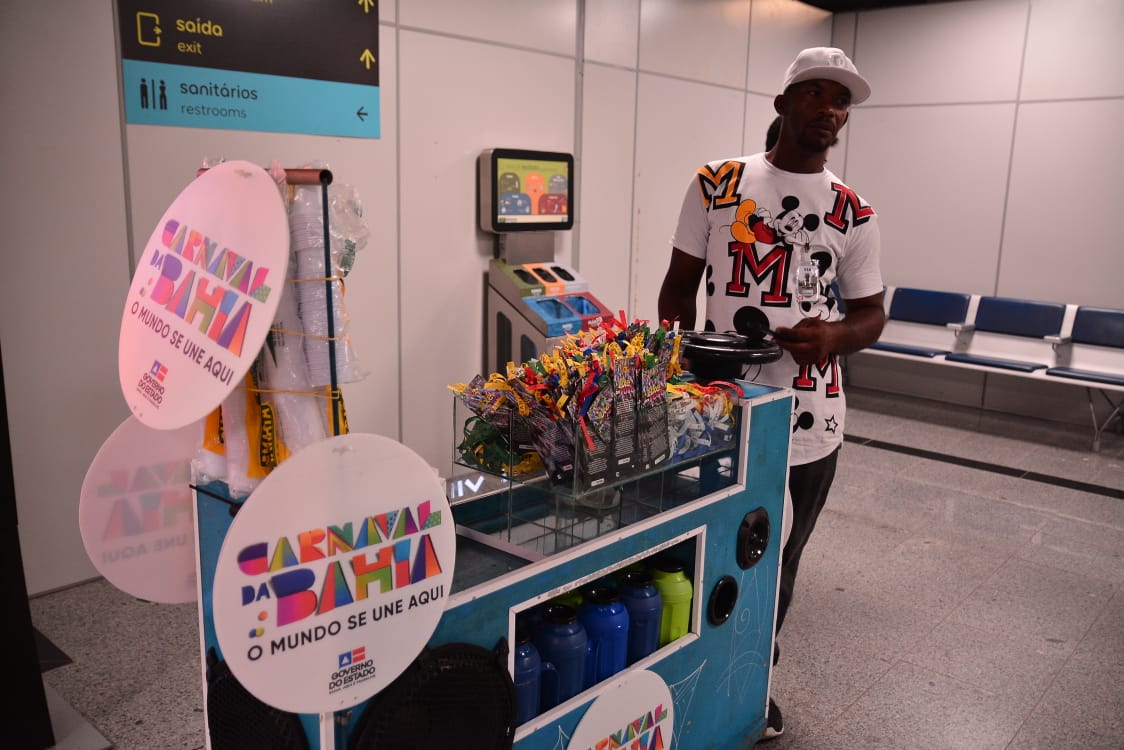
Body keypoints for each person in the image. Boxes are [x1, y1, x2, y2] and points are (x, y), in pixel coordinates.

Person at [658, 46, 885, 742]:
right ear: (784, 103)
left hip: (811, 415)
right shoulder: (718, 184)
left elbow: (871, 316)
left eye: (841, 100)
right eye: (816, 94)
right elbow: (679, 285)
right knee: (694, 540)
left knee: (779, 554)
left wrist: (833, 339)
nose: (830, 109)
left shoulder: (853, 210)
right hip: (716, 403)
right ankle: (682, 664)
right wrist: (671, 370)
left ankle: (756, 675)